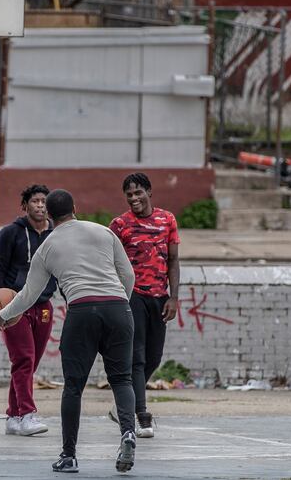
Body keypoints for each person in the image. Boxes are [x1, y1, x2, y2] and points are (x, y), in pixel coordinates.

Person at [0, 189, 137, 474]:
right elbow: (128, 275)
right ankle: (128, 433)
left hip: (82, 310)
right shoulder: (104, 232)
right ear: (75, 208)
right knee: (122, 379)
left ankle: (69, 456)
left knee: (73, 387)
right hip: (118, 307)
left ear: (51, 216)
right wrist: (121, 306)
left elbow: (29, 294)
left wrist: (3, 317)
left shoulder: (48, 245)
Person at [109, 172, 180, 439]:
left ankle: (123, 402)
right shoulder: (119, 225)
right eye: (129, 194)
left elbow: (173, 260)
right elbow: (110, 262)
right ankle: (142, 415)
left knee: (154, 357)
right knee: (136, 358)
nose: (134, 198)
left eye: (138, 193)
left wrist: (173, 297)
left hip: (159, 297)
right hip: (131, 296)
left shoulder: (167, 220)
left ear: (149, 192)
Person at [0, 184, 57, 436]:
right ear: (25, 206)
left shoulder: (55, 234)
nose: (40, 205)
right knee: (24, 360)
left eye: (44, 201)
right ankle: (27, 414)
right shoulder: (11, 233)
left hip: (43, 305)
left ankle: (13, 415)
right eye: (35, 201)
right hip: (14, 304)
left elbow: (61, 269)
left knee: (28, 363)